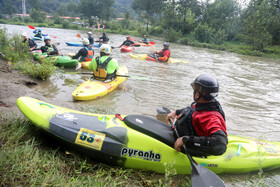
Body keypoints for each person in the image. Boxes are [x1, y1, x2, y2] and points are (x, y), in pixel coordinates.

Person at [166, 75, 227, 157]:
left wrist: (186, 140)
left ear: (198, 94)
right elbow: (193, 110)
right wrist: (176, 112)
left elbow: (220, 144)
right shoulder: (205, 103)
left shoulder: (211, 118)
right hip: (180, 136)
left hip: (193, 148)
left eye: (195, 89)